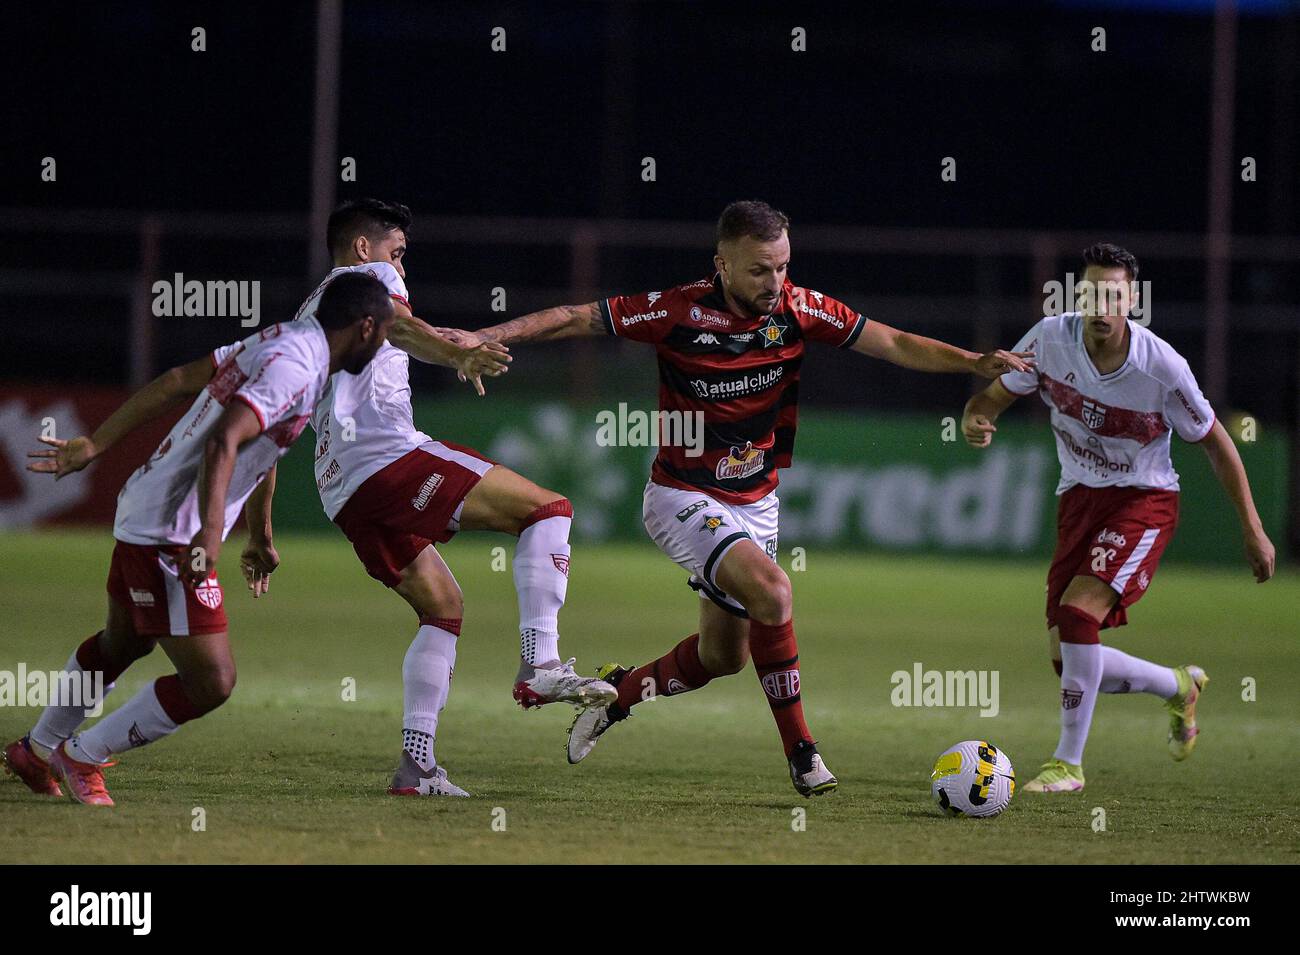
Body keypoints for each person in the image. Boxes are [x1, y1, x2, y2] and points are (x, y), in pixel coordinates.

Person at [447, 199, 1033, 796]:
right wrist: (483, 336)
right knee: (774, 592)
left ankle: (616, 696)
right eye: (759, 270)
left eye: (781, 266)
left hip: (757, 503)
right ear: (722, 266)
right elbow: (575, 317)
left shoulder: (800, 309)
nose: (774, 282)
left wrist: (971, 362)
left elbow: (892, 342)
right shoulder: (676, 311)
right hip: (682, 495)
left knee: (723, 657)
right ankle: (804, 754)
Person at [4, 272, 396, 806]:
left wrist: (258, 532)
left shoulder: (279, 339)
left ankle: (37, 748)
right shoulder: (299, 369)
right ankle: (80, 755)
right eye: (385, 334)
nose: (382, 348)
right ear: (366, 327)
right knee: (212, 680)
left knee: (123, 643)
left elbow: (177, 384)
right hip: (172, 530)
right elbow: (224, 440)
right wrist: (210, 537)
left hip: (149, 509)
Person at [302, 199, 615, 797]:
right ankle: (540, 665)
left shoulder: (312, 308)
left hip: (339, 487)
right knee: (549, 510)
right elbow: (394, 319)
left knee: (442, 607)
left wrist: (262, 528)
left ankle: (416, 765)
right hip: (385, 456)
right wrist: (453, 353)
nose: (402, 267)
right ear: (365, 249)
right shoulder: (367, 280)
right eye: (397, 253)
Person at [960, 242, 1276, 792]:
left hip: (1142, 501)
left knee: (1079, 618)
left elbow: (1217, 443)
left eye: (1113, 294)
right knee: (1069, 659)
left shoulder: (1161, 367)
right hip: (1078, 499)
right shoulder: (1050, 339)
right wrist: (975, 417)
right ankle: (1179, 685)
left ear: (1132, 300)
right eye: (1091, 293)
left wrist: (1251, 527)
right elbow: (990, 397)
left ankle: (1068, 765)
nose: (1101, 305)